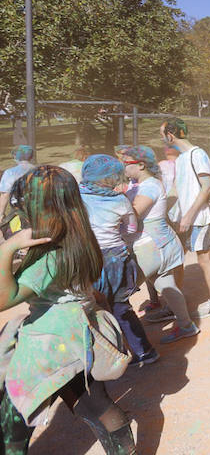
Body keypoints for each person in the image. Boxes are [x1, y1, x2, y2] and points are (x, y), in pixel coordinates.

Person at [0, 166, 138, 453]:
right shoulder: (80, 236)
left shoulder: (50, 257)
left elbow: (5, 298)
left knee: (14, 417)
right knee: (94, 404)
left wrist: (8, 247)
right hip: (79, 333)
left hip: (49, 342)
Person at [79, 154, 159, 367]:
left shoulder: (76, 198)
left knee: (91, 308)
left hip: (89, 259)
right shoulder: (121, 200)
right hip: (117, 259)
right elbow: (131, 229)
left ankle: (107, 356)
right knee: (120, 308)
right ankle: (144, 351)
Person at [122, 146, 199, 343]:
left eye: (126, 163)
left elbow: (133, 213)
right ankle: (186, 325)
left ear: (140, 165)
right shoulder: (139, 184)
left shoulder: (149, 186)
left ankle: (132, 346)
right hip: (157, 244)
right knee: (166, 284)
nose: (122, 167)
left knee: (119, 292)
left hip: (151, 246)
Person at [160, 117, 210, 317]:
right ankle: (175, 305)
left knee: (205, 259)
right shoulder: (181, 159)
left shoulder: (198, 154)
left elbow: (207, 188)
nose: (162, 139)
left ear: (171, 135)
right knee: (176, 261)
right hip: (183, 220)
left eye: (163, 135)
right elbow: (179, 191)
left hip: (200, 219)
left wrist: (188, 215)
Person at [0, 145, 35, 216]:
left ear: (16, 157)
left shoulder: (10, 172)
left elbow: (5, 195)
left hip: (19, 209)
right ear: (31, 157)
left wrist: (1, 214)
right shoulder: (40, 171)